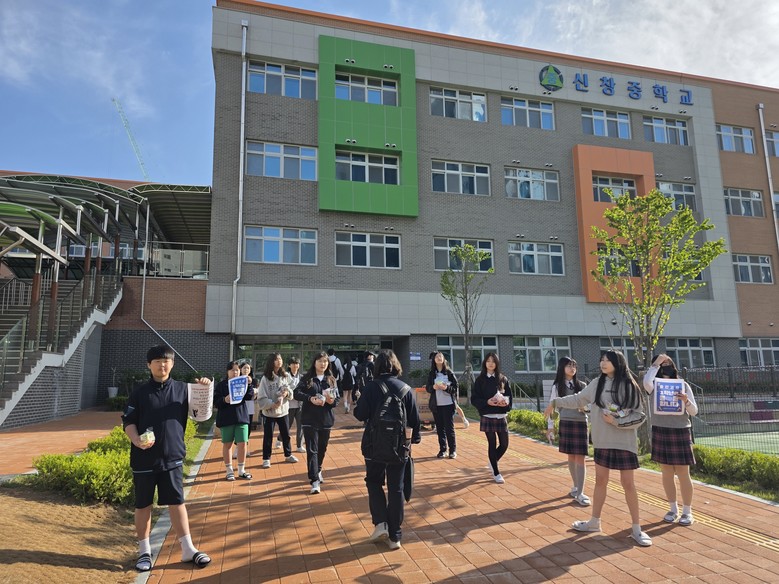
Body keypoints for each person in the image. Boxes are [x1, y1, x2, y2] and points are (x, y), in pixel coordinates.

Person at [544, 350, 652, 547]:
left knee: (628, 484)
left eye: (607, 360)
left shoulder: (629, 385)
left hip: (624, 443)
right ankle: (595, 522)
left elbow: (639, 415)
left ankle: (636, 528)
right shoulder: (596, 383)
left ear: (618, 363)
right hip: (602, 442)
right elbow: (578, 399)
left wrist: (616, 422)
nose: (603, 363)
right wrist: (555, 402)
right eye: (601, 360)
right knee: (600, 481)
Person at [122, 344, 212, 572]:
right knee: (143, 504)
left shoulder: (184, 389)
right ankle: (144, 552)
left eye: (166, 361)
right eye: (157, 361)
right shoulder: (140, 392)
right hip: (144, 458)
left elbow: (202, 415)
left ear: (172, 364)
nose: (162, 365)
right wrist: (136, 440)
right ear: (149, 365)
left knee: (177, 502)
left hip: (172, 456)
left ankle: (188, 549)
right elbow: (129, 421)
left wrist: (205, 390)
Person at [353, 349, 420, 550]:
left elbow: (360, 414)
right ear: (396, 365)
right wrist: (413, 440)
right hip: (399, 447)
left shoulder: (371, 388)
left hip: (373, 446)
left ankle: (381, 523)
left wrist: (360, 399)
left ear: (377, 367)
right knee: (396, 488)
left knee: (373, 482)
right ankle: (395, 536)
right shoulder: (406, 389)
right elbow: (415, 420)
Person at [643, 353, 699, 526]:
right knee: (666, 472)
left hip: (680, 430)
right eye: (662, 364)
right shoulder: (654, 385)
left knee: (683, 472)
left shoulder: (683, 385)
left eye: (667, 363)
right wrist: (656, 362)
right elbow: (646, 382)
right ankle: (673, 509)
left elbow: (694, 411)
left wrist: (686, 401)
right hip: (661, 430)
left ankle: (687, 511)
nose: (664, 366)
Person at [546, 357, 590, 506]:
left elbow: (589, 405)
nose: (572, 368)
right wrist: (550, 427)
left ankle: (580, 492)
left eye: (574, 366)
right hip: (566, 422)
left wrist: (585, 408)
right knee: (571, 456)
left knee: (581, 457)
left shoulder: (582, 385)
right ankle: (576, 487)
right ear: (562, 368)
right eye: (569, 365)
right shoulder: (557, 387)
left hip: (581, 423)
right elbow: (552, 407)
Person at [294, 351, 340, 493]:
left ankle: (318, 469)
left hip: (326, 420)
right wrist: (310, 399)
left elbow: (336, 399)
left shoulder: (331, 379)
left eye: (325, 361)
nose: (322, 364)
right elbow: (296, 393)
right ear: (314, 363)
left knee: (322, 448)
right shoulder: (307, 378)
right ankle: (314, 481)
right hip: (309, 419)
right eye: (320, 361)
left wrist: (331, 401)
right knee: (312, 450)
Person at [471, 352, 513, 483]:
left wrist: (505, 403)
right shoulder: (480, 380)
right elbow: (474, 399)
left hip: (501, 415)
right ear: (485, 363)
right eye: (488, 361)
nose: (490, 363)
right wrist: (487, 402)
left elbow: (509, 397)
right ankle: (496, 472)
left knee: (504, 444)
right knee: (492, 443)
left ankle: (492, 461)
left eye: (493, 361)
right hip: (488, 415)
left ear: (497, 363)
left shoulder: (502, 379)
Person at [213, 360, 254, 481]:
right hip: (227, 419)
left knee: (243, 443)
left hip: (241, 417)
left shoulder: (243, 382)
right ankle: (229, 470)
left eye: (237, 370)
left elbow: (249, 397)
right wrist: (224, 400)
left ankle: (241, 470)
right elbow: (216, 402)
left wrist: (249, 385)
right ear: (227, 371)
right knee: (228, 444)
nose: (235, 372)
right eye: (232, 370)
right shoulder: (221, 385)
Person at [257, 352, 297, 468]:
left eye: (280, 359)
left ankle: (288, 454)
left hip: (283, 411)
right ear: (271, 362)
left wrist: (287, 393)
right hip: (269, 413)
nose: (279, 361)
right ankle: (266, 458)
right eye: (276, 359)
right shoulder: (265, 378)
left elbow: (291, 390)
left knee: (286, 434)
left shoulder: (285, 375)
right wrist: (272, 404)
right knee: (268, 436)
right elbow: (261, 396)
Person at [426, 351, 459, 459]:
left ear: (444, 359)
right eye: (437, 356)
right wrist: (433, 387)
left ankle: (452, 450)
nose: (439, 357)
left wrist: (446, 388)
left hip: (448, 404)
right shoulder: (432, 374)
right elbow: (428, 388)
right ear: (434, 360)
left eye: (441, 356)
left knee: (449, 428)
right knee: (440, 429)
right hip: (436, 405)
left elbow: (455, 388)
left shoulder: (449, 372)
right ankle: (442, 450)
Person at [286, 356, 306, 453]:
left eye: (297, 363)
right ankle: (279, 439)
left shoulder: (302, 377)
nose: (295, 365)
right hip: (289, 406)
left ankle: (299, 445)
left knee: (300, 426)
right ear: (289, 365)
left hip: (299, 405)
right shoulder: (285, 376)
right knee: (287, 426)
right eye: (293, 364)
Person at [239, 362, 258, 455]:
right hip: (240, 405)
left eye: (248, 368)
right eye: (244, 368)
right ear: (240, 369)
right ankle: (238, 448)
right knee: (240, 425)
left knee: (248, 425)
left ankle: (245, 447)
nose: (246, 370)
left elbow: (257, 392)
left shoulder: (254, 381)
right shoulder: (237, 379)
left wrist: (255, 392)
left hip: (250, 404)